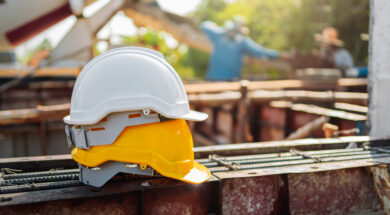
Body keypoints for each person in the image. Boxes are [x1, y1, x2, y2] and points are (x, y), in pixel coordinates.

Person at [200, 16, 283, 81]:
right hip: (229, 81)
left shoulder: (219, 35)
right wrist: (280, 55)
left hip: (213, 79)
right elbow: (261, 52)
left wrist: (223, 29)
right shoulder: (241, 40)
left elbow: (204, 25)